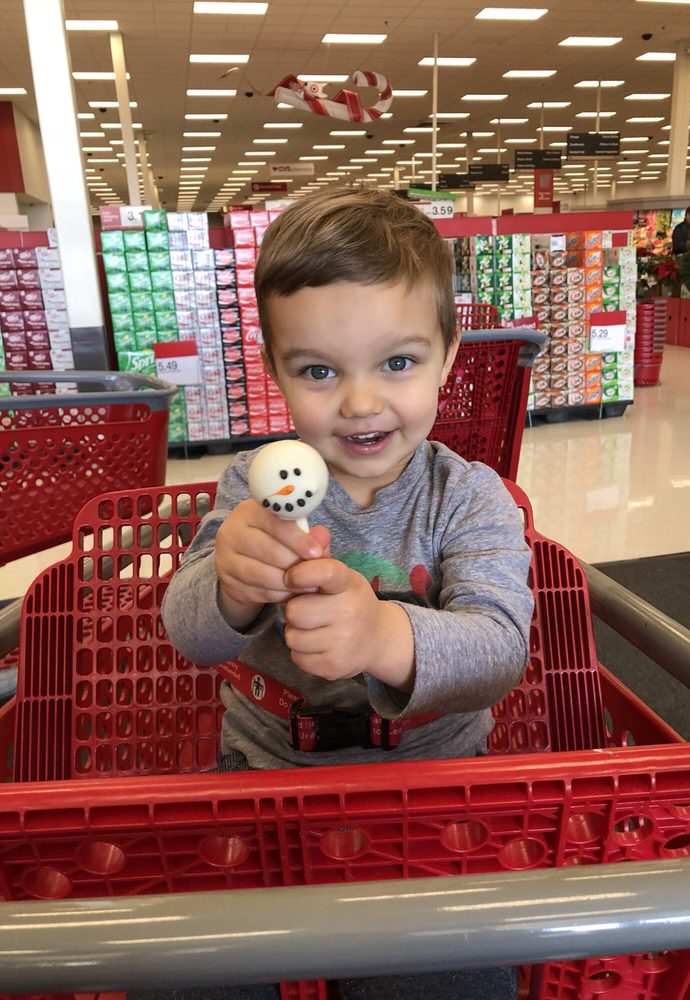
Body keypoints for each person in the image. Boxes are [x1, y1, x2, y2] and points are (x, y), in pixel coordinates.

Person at [152, 187, 534, 1000]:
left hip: (436, 792)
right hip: (261, 778)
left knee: (452, 983)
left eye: (397, 363)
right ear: (275, 372)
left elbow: (501, 649)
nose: (360, 403)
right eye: (320, 371)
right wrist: (229, 587)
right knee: (184, 969)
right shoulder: (252, 490)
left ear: (449, 355)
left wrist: (384, 638)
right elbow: (188, 634)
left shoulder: (470, 498)